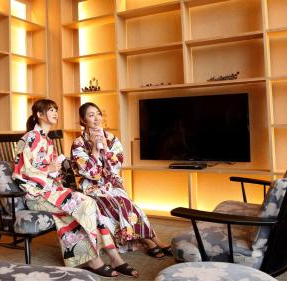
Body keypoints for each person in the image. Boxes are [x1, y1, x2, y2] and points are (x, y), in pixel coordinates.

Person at [12, 99, 139, 278]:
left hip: (51, 192)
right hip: (36, 195)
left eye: (56, 109)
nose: (55, 113)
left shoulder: (47, 140)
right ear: (39, 115)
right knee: (86, 203)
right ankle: (94, 260)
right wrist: (48, 170)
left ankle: (114, 257)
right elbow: (20, 171)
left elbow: (50, 172)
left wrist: (56, 171)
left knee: (89, 205)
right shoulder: (31, 137)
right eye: (50, 110)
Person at [71, 102, 171, 259]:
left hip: (111, 183)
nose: (96, 118)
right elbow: (89, 173)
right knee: (119, 202)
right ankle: (150, 240)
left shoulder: (111, 138)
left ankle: (151, 239)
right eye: (91, 115)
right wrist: (95, 152)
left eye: (98, 114)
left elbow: (118, 164)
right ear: (83, 121)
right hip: (91, 187)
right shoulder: (78, 143)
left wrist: (107, 150)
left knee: (128, 203)